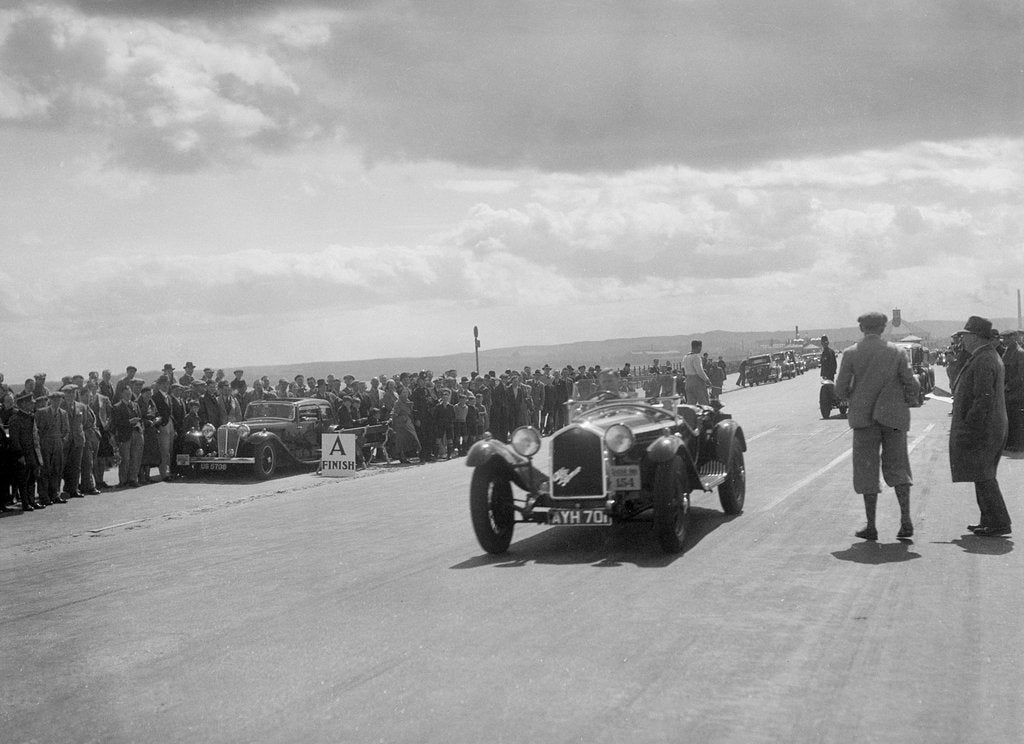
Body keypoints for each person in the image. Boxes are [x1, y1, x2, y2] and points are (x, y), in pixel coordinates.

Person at [836, 312, 920, 540]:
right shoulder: (897, 352)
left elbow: (840, 389)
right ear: (883, 328)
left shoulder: (851, 353)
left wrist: (855, 394)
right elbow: (911, 383)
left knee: (866, 472)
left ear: (862, 328)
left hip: (864, 421)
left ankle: (871, 526)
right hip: (894, 419)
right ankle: (906, 520)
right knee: (899, 468)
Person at [950, 316, 1011, 536]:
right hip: (990, 425)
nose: (963, 341)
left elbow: (983, 398)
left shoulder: (984, 359)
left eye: (966, 336)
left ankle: (999, 522)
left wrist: (970, 425)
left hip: (984, 427)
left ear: (976, 337)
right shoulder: (985, 355)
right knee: (981, 473)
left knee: (984, 474)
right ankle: (989, 520)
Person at [1000, 329, 1024, 452]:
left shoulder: (1020, 353)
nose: (1005, 341)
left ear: (1014, 338)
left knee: (1016, 418)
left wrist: (1008, 386)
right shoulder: (1007, 352)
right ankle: (1010, 442)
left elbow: (1021, 376)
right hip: (1007, 392)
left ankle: (1018, 444)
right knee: (1009, 417)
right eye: (1004, 338)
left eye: (1007, 338)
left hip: (1016, 392)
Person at [682, 340, 711, 405]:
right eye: (700, 347)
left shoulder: (685, 357)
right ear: (698, 347)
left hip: (688, 382)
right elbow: (700, 371)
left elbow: (683, 369)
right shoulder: (696, 357)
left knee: (691, 405)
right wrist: (707, 380)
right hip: (697, 383)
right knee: (704, 404)